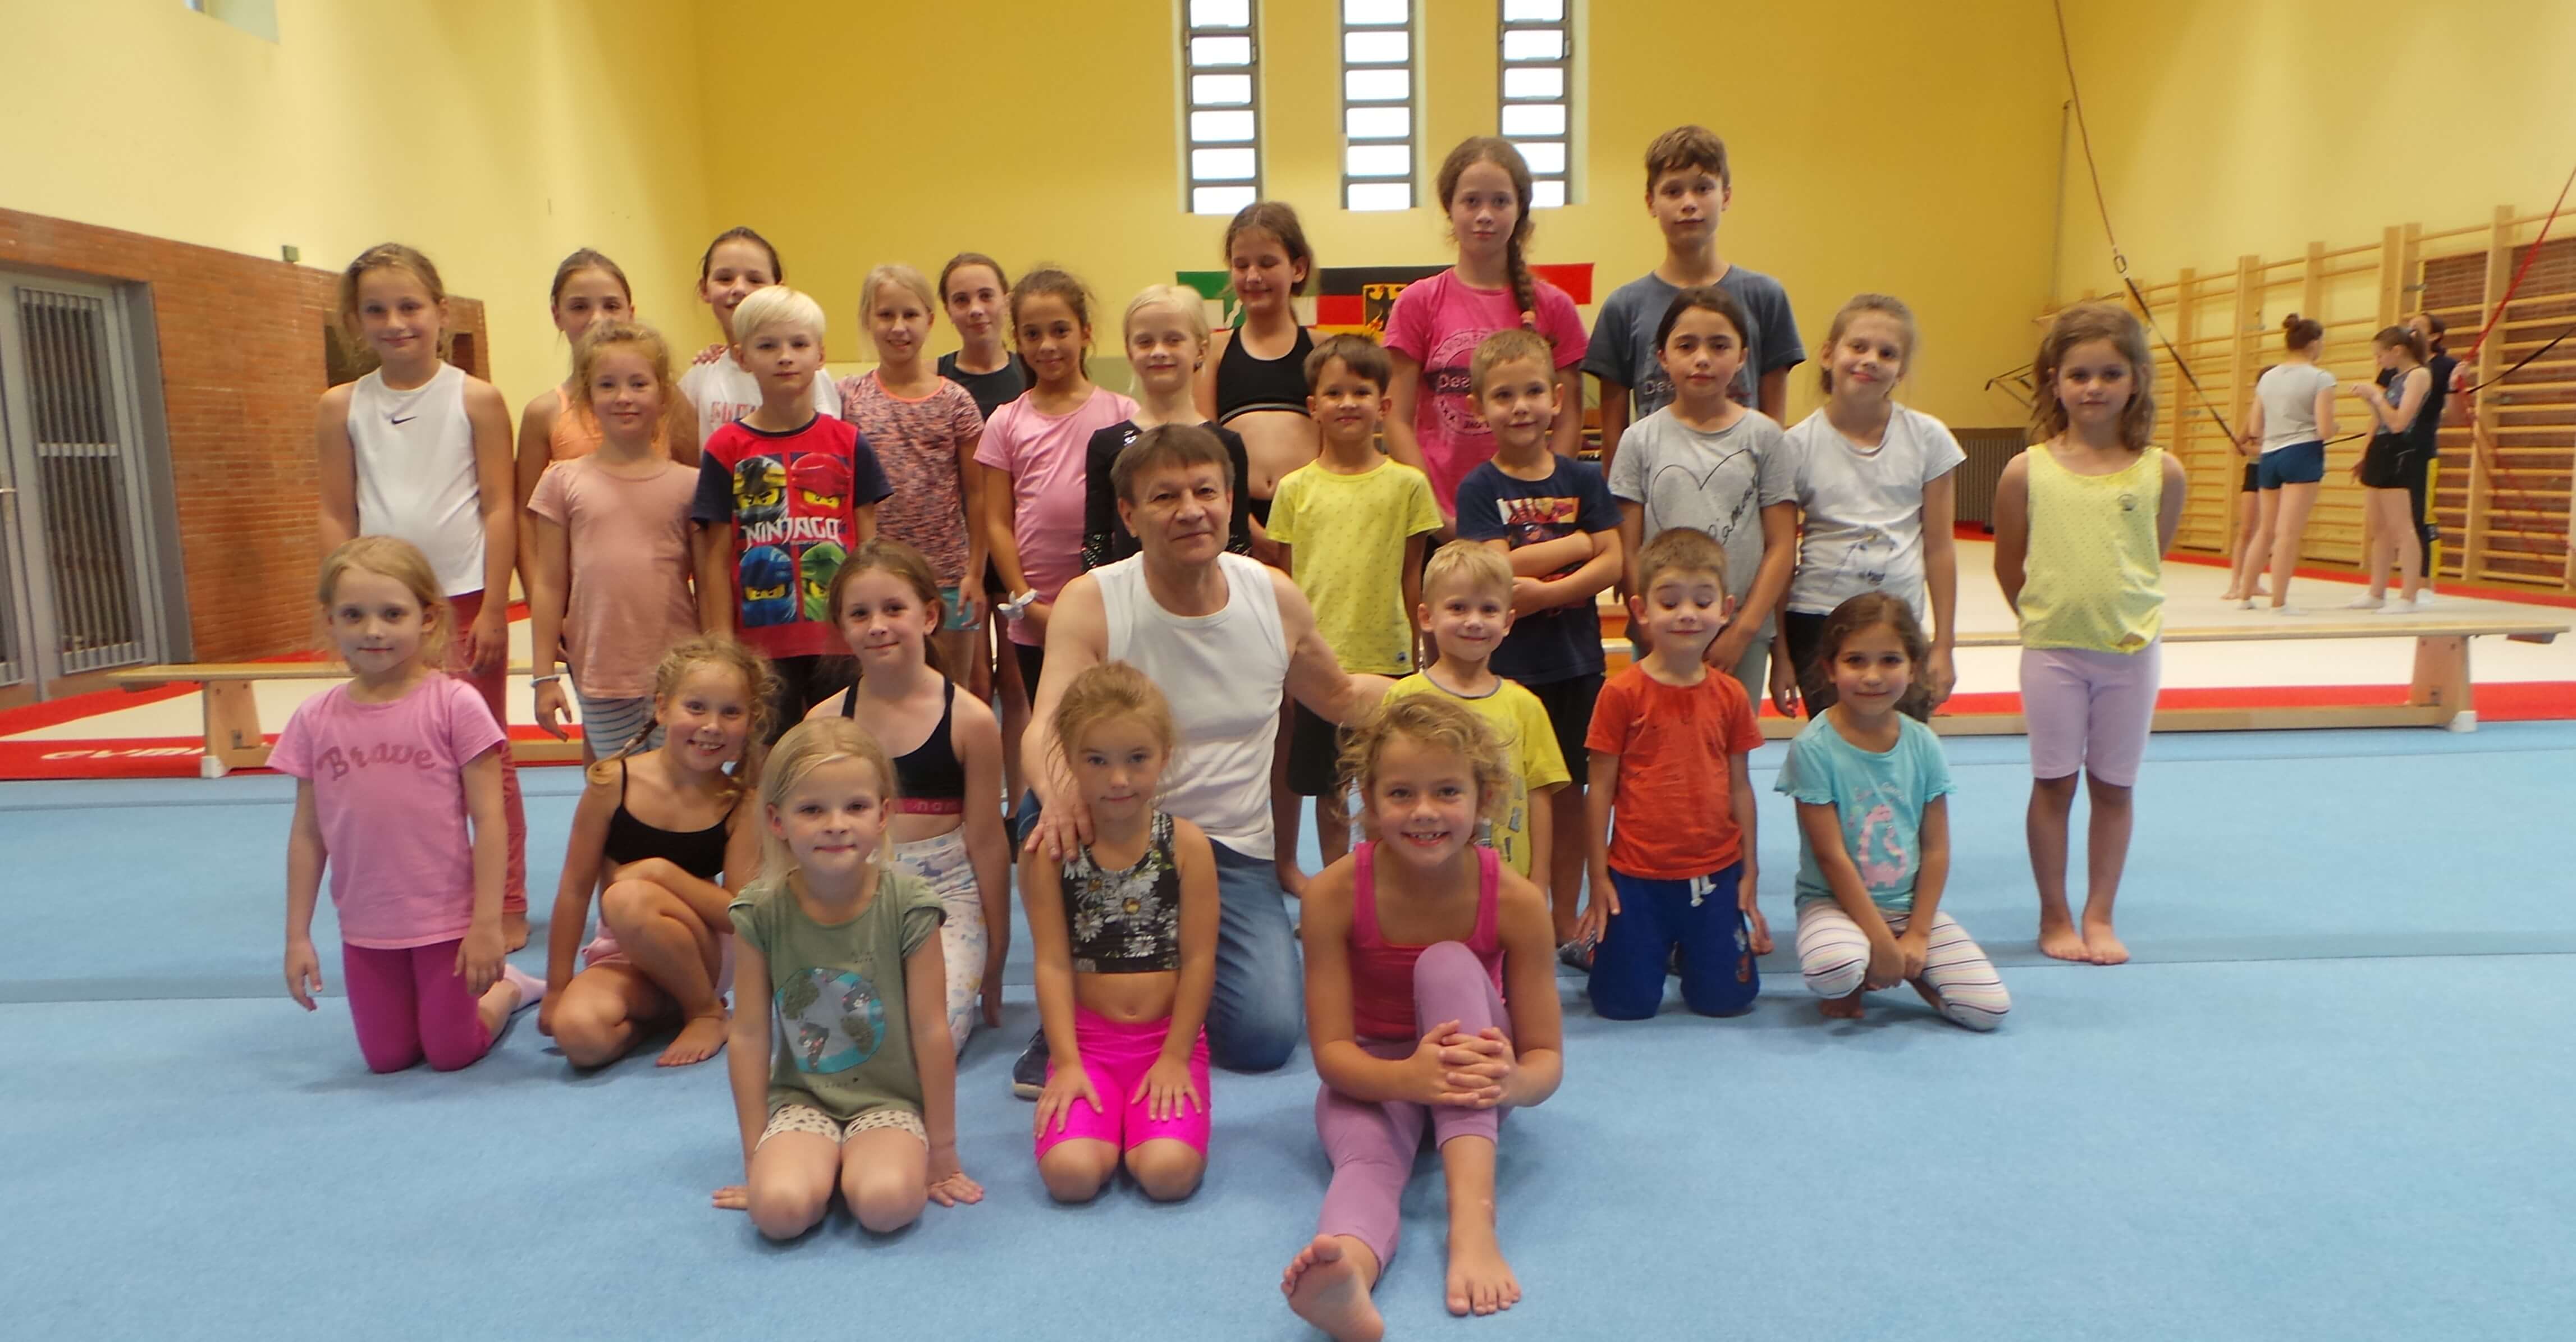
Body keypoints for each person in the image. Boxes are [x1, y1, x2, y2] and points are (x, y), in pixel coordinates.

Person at [1016, 423, 1397, 1094]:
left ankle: (1149, 979)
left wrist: (1444, 693)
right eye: (1164, 497)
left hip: (1232, 849)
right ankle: (1085, 1010)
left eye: (1205, 492)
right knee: (1043, 817)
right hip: (1121, 833)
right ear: (1129, 515)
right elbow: (1044, 724)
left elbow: (1339, 696)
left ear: (1229, 501)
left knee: (1262, 1039)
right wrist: (1059, 796)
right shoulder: (1093, 600)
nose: (1190, 510)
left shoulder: (1272, 596)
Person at [1279, 694, 1563, 1339]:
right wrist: (1407, 1078)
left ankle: (1472, 1224)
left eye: (1446, 791)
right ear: (1368, 802)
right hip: (1376, 1077)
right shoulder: (1332, 895)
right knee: (1367, 1163)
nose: (1424, 811)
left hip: (1475, 1075)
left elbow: (1545, 1058)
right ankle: (1348, 1272)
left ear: (1484, 798)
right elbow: (1332, 1054)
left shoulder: (1517, 902)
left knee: (1445, 963)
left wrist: (1511, 1082)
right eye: (1401, 793)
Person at [314, 242, 529, 947]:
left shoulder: (475, 398)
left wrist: (495, 606)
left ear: (440, 311)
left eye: (410, 306)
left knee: (483, 755)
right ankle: (422, 899)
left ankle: (505, 899)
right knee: (401, 752)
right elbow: (336, 509)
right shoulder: (341, 406)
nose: (395, 322)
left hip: (462, 599)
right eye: (376, 310)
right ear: (355, 322)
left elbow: (500, 506)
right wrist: (342, 605)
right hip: (383, 607)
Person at [277, 537, 543, 1072]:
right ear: (331, 621)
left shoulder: (454, 704)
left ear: (428, 618)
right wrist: (296, 935)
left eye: (392, 614)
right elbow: (307, 833)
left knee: (451, 1052)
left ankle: (509, 989)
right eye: (354, 615)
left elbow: (491, 820)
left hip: (446, 918)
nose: (373, 630)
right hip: (367, 921)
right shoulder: (315, 718)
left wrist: (487, 923)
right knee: (387, 1058)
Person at [713, 717, 982, 1239]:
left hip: (888, 1103)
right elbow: (748, 1035)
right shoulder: (760, 911)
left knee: (886, 1205)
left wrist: (943, 1148)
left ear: (883, 814)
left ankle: (857, 1164)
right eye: (812, 809)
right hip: (803, 1102)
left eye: (854, 806)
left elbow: (931, 1030)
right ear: (776, 820)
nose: (835, 824)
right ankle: (813, 1168)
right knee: (777, 1212)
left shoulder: (909, 907)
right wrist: (755, 1155)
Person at [1993, 301, 2185, 967]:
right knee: (2053, 783)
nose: (2093, 387)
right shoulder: (2026, 471)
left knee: (2113, 786)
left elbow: (2149, 554)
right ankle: (2053, 914)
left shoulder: (2160, 472)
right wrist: (2045, 622)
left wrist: (2113, 614)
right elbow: (2008, 564)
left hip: (2129, 653)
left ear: (2135, 380)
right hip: (2053, 653)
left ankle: (2098, 913)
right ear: (2053, 382)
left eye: (2109, 374)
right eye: (2078, 375)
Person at [1022, 662, 1219, 1204]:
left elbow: (1199, 960)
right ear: (1068, 759)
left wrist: (1176, 1055)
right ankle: (1105, 1122)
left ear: (1164, 755)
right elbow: (1051, 962)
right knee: (1071, 1176)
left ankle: (1145, 1128)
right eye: (1097, 760)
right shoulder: (1051, 852)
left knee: (1168, 1173)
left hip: (1166, 1041)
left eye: (1136, 759)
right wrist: (1066, 1062)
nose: (1118, 780)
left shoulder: (1187, 846)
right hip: (1088, 1046)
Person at [807, 540, 1010, 1056]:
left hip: (945, 898)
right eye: (860, 614)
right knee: (827, 1038)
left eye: (894, 608)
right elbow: (806, 847)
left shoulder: (970, 720)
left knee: (925, 1039)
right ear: (842, 627)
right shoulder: (823, 724)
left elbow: (988, 841)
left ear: (929, 616)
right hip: (856, 895)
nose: (877, 625)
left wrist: (998, 948)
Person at [1450, 328, 1618, 948]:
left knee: (1569, 795)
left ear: (1556, 398)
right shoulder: (1479, 487)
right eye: (1502, 396)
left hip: (1574, 665)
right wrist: (1579, 545)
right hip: (1506, 672)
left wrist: (1547, 592)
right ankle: (1498, 912)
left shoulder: (1583, 478)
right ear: (1478, 407)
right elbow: (1494, 568)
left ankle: (1563, 917)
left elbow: (1615, 561)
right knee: (1498, 797)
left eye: (1531, 393)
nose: (1519, 407)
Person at [539, 637, 773, 1069]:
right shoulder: (611, 783)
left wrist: (663, 873)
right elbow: (573, 889)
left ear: (749, 722)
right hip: (621, 951)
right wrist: (556, 987)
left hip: (701, 954)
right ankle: (663, 1017)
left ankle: (705, 1010)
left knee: (627, 898)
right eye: (696, 707)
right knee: (580, 1036)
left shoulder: (741, 804)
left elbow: (740, 915)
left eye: (730, 712)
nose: (712, 726)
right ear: (663, 708)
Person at [1778, 593, 2009, 1029]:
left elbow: (1936, 849)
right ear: (1830, 668)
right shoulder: (1813, 748)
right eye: (1855, 661)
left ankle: (1913, 971)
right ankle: (1861, 973)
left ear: (1913, 667)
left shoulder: (1922, 743)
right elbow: (1831, 856)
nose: (1872, 676)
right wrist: (1881, 942)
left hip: (1906, 907)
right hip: (1836, 904)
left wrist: (1917, 933)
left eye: (1889, 660)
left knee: (1988, 1010)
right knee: (1833, 969)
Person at [1577, 526, 1770, 1018]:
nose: (1686, 613)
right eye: (1669, 602)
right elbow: (1599, 790)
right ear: (1641, 610)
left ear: (1725, 609)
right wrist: (1597, 875)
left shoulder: (1729, 695)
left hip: (1713, 871)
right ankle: (1624, 948)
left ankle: (1692, 946)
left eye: (1702, 601)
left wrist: (1748, 869)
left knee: (1727, 1000)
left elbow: (1740, 786)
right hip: (1636, 874)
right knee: (1623, 1005)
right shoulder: (1620, 694)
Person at [1268, 332, 1442, 872]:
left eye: (1361, 392)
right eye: (1334, 393)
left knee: (1388, 775)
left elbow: (1413, 576)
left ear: (1383, 406)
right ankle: (1336, 879)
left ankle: (1386, 877)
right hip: (1318, 662)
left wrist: (1424, 655)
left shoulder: (1408, 486)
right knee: (1330, 786)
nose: (1348, 403)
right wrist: (1286, 662)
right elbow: (1285, 584)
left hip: (1387, 657)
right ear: (1312, 406)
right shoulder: (1294, 489)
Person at [689, 286, 890, 735]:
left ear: (821, 354)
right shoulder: (726, 447)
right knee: (767, 756)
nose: (785, 357)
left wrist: (870, 623)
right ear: (742, 357)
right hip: (760, 646)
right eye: (767, 346)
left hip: (838, 640)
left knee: (842, 747)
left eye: (799, 344)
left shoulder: (849, 442)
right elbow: (715, 557)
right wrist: (722, 646)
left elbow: (869, 551)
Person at [1773, 294, 1964, 716]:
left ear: (1902, 370)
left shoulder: (1928, 438)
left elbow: (1939, 548)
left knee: (1901, 744)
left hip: (1899, 621)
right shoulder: (1795, 446)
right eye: (1858, 347)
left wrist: (1944, 645)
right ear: (1828, 355)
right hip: (1819, 618)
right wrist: (1780, 652)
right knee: (1835, 746)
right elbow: (1781, 556)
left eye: (1887, 353)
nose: (1870, 360)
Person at [1384, 137, 1588, 525]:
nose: (1485, 215)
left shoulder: (1554, 306)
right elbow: (1396, 420)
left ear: (1520, 208)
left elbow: (1568, 420)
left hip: (1529, 519)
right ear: (1449, 207)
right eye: (1471, 201)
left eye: (1500, 201)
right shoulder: (1417, 302)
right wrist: (1434, 514)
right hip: (1440, 515)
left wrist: (1544, 504)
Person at [525, 320, 703, 763]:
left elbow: (710, 581)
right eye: (607, 385)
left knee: (680, 784)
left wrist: (716, 663)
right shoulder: (562, 481)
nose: (624, 397)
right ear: (587, 398)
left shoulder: (690, 485)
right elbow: (549, 584)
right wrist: (543, 676)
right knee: (616, 785)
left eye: (638, 384)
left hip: (679, 669)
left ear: (663, 395)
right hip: (601, 671)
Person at [1607, 285, 1797, 699]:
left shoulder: (1765, 437)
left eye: (1719, 345)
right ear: (1662, 356)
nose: (1702, 358)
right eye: (1686, 345)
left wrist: (1743, 629)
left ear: (1742, 356)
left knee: (1730, 735)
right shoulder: (1639, 440)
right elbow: (1627, 546)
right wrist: (1648, 624)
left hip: (1740, 634)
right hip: (1661, 628)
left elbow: (1782, 545)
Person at [1587, 125, 1802, 475]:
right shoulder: (1623, 307)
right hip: (1659, 486)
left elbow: (1773, 426)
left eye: (1703, 188)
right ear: (1651, 203)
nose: (1689, 203)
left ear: (1726, 196)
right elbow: (1615, 441)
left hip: (1741, 485)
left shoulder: (1766, 297)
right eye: (1673, 191)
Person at [977, 267, 1139, 718]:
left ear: (1085, 332)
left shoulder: (1122, 413)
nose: (1047, 345)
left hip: (1109, 605)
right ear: (1017, 340)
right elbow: (997, 521)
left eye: (1060, 330)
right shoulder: (1006, 421)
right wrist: (1025, 599)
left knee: (1111, 721)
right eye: (1033, 334)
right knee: (1052, 724)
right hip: (1037, 609)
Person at [1385, 541, 1570, 890]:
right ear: (1427, 617)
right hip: (1420, 879)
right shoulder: (1404, 698)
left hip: (1505, 883)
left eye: (1488, 609)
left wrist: (1539, 879)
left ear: (1507, 621)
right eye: (1458, 608)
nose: (1474, 622)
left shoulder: (1525, 706)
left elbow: (1539, 798)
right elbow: (1381, 788)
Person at [839, 264, 989, 681]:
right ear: (868, 321)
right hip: (877, 578)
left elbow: (978, 494)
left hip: (948, 576)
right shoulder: (847, 397)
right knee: (883, 690)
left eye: (910, 315)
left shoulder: (956, 402)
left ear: (930, 320)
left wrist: (975, 573)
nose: (899, 327)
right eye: (886, 315)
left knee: (950, 691)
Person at [936, 251, 1035, 813]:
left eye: (985, 296)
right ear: (947, 311)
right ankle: (975, 802)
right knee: (974, 683)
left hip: (1020, 544)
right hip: (963, 549)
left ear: (1005, 301)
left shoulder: (1030, 369)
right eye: (961, 299)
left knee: (1015, 684)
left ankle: (1018, 806)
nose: (975, 309)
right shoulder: (939, 377)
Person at [513, 249, 699, 515]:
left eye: (611, 306)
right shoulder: (543, 414)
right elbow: (528, 516)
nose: (597, 319)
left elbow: (698, 495)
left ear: (630, 313)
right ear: (557, 316)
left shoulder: (668, 400)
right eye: (580, 307)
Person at [1082, 284, 1255, 569]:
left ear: (1201, 350)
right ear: (1129, 352)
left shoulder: (1226, 444)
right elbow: (1097, 542)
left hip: (1208, 590)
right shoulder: (1107, 445)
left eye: (1173, 340)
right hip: (1132, 592)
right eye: (1145, 342)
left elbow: (1237, 541)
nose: (1159, 351)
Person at [1196, 200, 1319, 561]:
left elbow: (1337, 446)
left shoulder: (1322, 350)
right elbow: (1206, 447)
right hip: (1236, 519)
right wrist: (1244, 524)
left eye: (1267, 263)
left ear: (1298, 268)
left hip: (1311, 517)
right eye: (1241, 265)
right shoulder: (1214, 352)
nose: (1253, 276)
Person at [679, 227, 840, 451]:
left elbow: (830, 447)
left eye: (755, 280)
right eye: (725, 279)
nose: (739, 289)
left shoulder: (806, 373)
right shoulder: (698, 377)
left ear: (777, 289)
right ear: (704, 289)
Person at [2235, 315, 2337, 613]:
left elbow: (2255, 427)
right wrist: (2336, 428)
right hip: (2302, 454)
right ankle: (2279, 602)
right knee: (2288, 534)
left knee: (2266, 530)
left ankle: (2245, 596)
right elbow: (2325, 429)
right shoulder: (2321, 378)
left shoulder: (2268, 378)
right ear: (2314, 344)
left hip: (2270, 456)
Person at [2344, 325, 2435, 612]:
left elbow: (2399, 423)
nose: (2378, 361)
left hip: (2399, 450)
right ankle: (2376, 592)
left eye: (2380, 355)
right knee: (2379, 528)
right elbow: (2381, 419)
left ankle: (2409, 596)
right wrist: (2371, 403)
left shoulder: (2419, 375)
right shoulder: (2395, 378)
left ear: (2398, 350)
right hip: (2380, 449)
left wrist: (2376, 396)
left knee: (2402, 526)